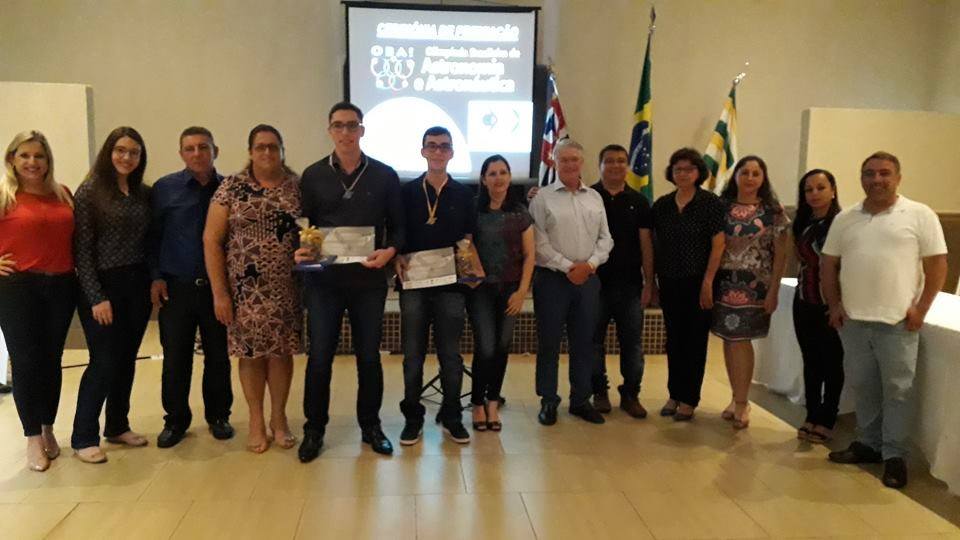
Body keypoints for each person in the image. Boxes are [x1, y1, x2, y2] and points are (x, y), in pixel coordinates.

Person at [823, 151, 947, 489]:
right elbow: (828, 265)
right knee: (864, 386)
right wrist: (834, 304)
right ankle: (868, 444)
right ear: (861, 178)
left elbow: (937, 265)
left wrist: (921, 308)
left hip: (898, 322)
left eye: (884, 173)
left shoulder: (920, 215)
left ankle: (894, 456)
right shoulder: (846, 218)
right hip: (853, 321)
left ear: (898, 177)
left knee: (897, 391)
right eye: (869, 173)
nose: (876, 179)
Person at [295, 102, 405, 461]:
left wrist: (389, 253)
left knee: (369, 358)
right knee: (320, 358)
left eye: (352, 126)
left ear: (362, 130)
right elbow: (303, 224)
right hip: (324, 283)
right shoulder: (311, 176)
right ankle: (314, 430)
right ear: (329, 130)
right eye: (338, 126)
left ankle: (371, 426)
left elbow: (400, 228)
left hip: (368, 281)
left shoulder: (385, 175)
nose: (345, 132)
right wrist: (303, 249)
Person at [204, 124, 302, 454]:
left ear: (281, 150)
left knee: (281, 353)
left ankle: (279, 418)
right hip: (244, 291)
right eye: (260, 147)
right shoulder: (231, 187)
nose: (267, 153)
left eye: (273, 147)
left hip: (285, 287)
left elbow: (311, 232)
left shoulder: (296, 187)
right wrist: (220, 293)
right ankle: (257, 421)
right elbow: (211, 240)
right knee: (250, 355)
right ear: (250, 151)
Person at [71, 127, 153, 464]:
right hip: (102, 285)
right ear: (109, 152)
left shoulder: (141, 192)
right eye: (120, 150)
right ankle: (83, 436)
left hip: (136, 284)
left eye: (134, 152)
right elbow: (81, 250)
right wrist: (96, 297)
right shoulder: (90, 190)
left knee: (126, 359)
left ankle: (117, 424)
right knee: (103, 361)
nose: (126, 157)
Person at [149, 127, 233, 448]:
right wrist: (155, 276)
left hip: (218, 290)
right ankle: (175, 421)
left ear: (216, 150)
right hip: (176, 288)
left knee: (218, 356)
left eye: (203, 147)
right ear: (181, 153)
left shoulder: (229, 189)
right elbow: (152, 238)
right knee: (176, 358)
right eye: (189, 148)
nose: (197, 153)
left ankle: (218, 416)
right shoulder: (164, 189)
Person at [0, 131, 77, 471]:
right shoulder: (4, 197)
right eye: (25, 156)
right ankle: (32, 436)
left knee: (51, 360)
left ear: (48, 162)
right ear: (11, 159)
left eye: (39, 156)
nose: (33, 162)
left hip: (61, 285)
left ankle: (48, 427)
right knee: (26, 361)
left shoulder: (63, 194)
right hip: (18, 288)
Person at [396, 126, 475, 446]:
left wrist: (467, 258)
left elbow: (469, 237)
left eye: (444, 147)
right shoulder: (407, 192)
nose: (438, 151)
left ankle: (452, 415)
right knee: (413, 355)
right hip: (414, 285)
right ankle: (413, 418)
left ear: (452, 153)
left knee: (451, 355)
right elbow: (398, 232)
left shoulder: (464, 194)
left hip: (451, 286)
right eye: (432, 146)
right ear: (423, 151)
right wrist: (397, 254)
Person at [529, 138, 613, 426]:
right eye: (563, 159)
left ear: (582, 162)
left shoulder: (594, 198)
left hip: (588, 279)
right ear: (554, 162)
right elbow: (538, 244)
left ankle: (580, 400)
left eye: (574, 159)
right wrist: (568, 268)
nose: (569, 164)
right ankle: (548, 400)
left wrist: (588, 265)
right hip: (552, 280)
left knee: (584, 342)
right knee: (549, 342)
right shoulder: (542, 198)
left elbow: (606, 239)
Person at [712, 155, 789, 430]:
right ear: (735, 177)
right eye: (745, 172)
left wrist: (774, 289)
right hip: (724, 282)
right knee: (728, 339)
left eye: (756, 173)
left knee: (742, 340)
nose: (750, 178)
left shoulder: (773, 210)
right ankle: (735, 397)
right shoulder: (721, 207)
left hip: (756, 285)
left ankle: (744, 403)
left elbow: (781, 252)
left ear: (763, 178)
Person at [652, 148, 725, 422]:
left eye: (689, 169)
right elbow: (654, 244)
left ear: (699, 173)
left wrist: (708, 281)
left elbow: (719, 245)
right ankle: (674, 393)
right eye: (678, 168)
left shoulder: (710, 204)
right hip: (670, 280)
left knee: (695, 341)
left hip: (699, 282)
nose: (683, 173)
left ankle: (689, 398)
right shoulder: (662, 205)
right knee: (675, 340)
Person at [467, 154, 534, 432]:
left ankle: (493, 402)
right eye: (492, 173)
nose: (498, 178)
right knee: (486, 346)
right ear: (484, 179)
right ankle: (477, 403)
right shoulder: (473, 211)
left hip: (510, 289)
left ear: (509, 177)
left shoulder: (520, 213)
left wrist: (522, 292)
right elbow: (466, 247)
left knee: (502, 347)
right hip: (480, 290)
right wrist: (476, 273)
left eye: (503, 172)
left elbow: (530, 255)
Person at [589, 144, 654, 419]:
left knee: (633, 344)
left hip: (629, 285)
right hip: (595, 284)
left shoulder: (639, 201)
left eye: (620, 161)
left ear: (627, 165)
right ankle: (599, 392)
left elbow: (646, 244)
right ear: (600, 165)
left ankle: (630, 393)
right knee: (593, 341)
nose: (615, 165)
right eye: (609, 161)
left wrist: (649, 282)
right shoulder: (588, 196)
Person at [791, 169, 843, 444]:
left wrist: (837, 303)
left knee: (832, 363)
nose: (814, 194)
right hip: (804, 300)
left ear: (833, 190)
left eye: (820, 188)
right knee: (811, 361)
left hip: (830, 303)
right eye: (808, 189)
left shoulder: (842, 223)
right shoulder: (804, 222)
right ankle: (811, 414)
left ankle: (827, 417)